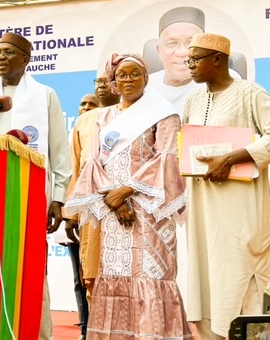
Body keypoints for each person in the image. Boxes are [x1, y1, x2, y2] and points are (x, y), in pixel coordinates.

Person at [65, 54, 191, 340]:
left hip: (150, 212)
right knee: (116, 277)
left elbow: (167, 159)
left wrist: (128, 190)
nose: (129, 79)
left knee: (151, 277)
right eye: (122, 75)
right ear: (113, 82)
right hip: (113, 212)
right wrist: (116, 199)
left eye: (136, 74)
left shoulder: (164, 113)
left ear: (146, 78)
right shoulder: (103, 118)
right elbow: (94, 163)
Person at [0, 32, 71, 340]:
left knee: (31, 273)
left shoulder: (45, 94)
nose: (1, 58)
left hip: (30, 198)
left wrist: (58, 199)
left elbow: (60, 152)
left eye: (9, 53)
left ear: (25, 59)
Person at [183, 33, 270, 340]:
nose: (189, 66)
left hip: (239, 208)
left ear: (217, 59)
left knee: (237, 276)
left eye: (195, 59)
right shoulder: (193, 100)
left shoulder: (251, 93)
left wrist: (231, 158)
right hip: (203, 206)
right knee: (206, 278)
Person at [64, 71, 120, 307]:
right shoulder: (84, 121)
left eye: (108, 81)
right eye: (99, 82)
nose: (102, 86)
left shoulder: (134, 116)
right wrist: (71, 216)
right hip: (91, 211)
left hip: (124, 207)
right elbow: (76, 168)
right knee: (93, 276)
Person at [62, 89, 103, 340]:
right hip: (83, 213)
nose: (86, 107)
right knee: (84, 278)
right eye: (82, 103)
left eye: (91, 103)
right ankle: (88, 329)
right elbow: (75, 171)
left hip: (116, 211)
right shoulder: (80, 127)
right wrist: (71, 215)